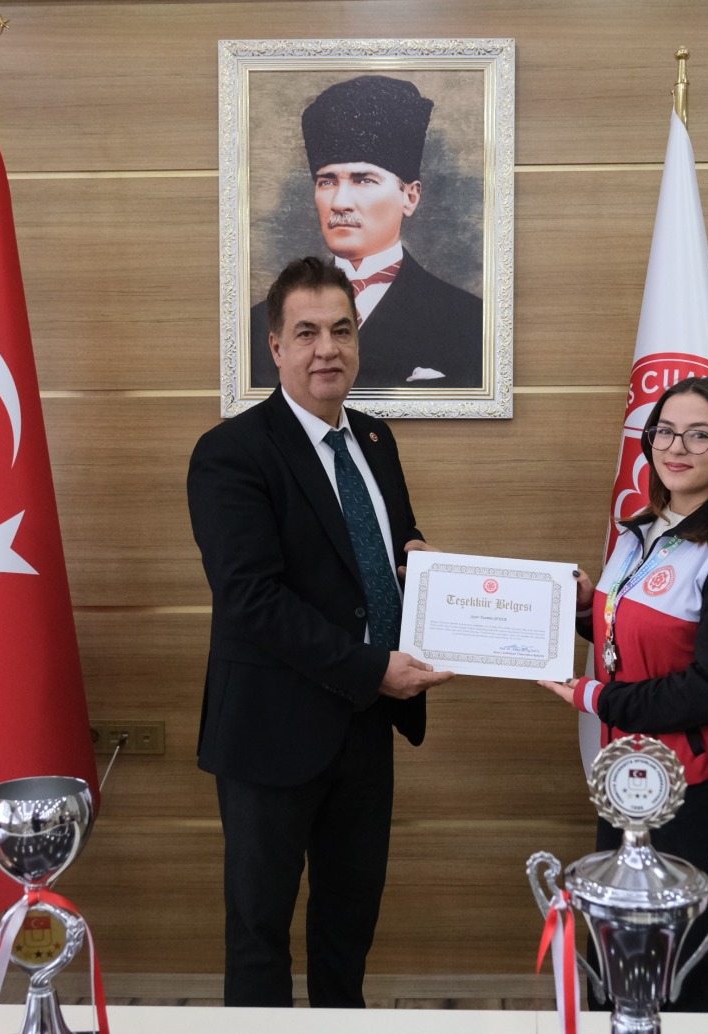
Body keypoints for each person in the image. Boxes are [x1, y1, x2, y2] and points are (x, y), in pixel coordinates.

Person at [188, 256, 455, 1008]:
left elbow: (387, 547)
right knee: (260, 932)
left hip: (365, 726)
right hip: (271, 729)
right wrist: (373, 668)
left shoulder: (374, 439)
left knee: (348, 926)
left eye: (341, 330)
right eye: (306, 333)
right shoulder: (231, 453)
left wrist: (424, 567)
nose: (326, 349)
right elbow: (251, 600)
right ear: (275, 346)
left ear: (359, 338)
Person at [538, 375, 708, 1014]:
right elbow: (634, 634)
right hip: (632, 781)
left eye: (699, 435)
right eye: (665, 432)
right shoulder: (641, 529)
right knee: (627, 950)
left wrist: (596, 698)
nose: (677, 447)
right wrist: (584, 608)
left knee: (701, 964)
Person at [250, 75, 483, 390]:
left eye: (363, 180)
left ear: (409, 197)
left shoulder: (469, 320)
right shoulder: (261, 324)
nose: (339, 202)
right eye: (327, 181)